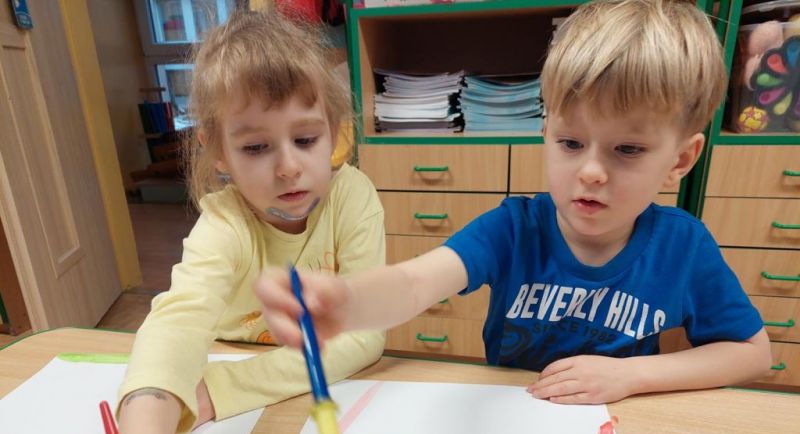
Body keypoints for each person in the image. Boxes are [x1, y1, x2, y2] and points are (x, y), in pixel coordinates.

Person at [256, 0, 771, 409]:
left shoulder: (684, 245)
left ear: (681, 159)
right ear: (545, 133)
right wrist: (346, 303)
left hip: (616, 430)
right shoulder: (513, 228)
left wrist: (630, 376)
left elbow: (752, 354)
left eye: (628, 150)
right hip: (509, 419)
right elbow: (415, 283)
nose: (591, 171)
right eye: (571, 143)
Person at [52, 10, 385, 434]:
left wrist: (218, 392)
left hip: (290, 396)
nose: (288, 167)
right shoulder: (225, 222)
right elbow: (178, 321)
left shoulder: (354, 197)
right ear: (218, 152)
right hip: (241, 390)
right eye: (256, 147)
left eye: (306, 138)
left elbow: (365, 335)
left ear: (334, 132)